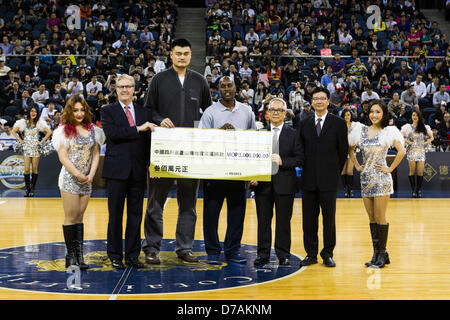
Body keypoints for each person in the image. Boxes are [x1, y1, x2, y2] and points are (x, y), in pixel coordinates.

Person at [142, 38, 212, 264]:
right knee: (155, 201)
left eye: (186, 53)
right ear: (170, 55)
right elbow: (148, 111)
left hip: (191, 151)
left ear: (191, 55)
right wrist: (160, 119)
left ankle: (185, 247)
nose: (182, 56)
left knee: (189, 202)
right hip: (163, 151)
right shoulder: (158, 80)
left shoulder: (199, 81)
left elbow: (208, 114)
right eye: (178, 53)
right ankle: (151, 247)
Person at [198, 76, 256, 264]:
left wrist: (253, 172)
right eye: (222, 86)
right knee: (211, 213)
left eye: (229, 85)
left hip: (238, 171)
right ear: (218, 90)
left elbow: (253, 140)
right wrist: (219, 133)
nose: (226, 89)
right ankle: (213, 251)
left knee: (237, 213)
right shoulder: (210, 112)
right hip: (214, 171)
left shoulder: (247, 111)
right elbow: (201, 140)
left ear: (235, 87)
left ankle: (232, 250)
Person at [101, 74, 155, 269]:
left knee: (135, 215)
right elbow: (113, 134)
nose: (124, 90)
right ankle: (114, 254)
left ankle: (132, 255)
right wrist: (138, 129)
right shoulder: (107, 111)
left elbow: (149, 143)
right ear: (115, 89)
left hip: (138, 172)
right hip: (116, 171)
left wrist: (153, 165)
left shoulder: (144, 112)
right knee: (115, 215)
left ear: (134, 89)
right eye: (121, 87)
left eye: (128, 86)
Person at [348, 100, 406, 268]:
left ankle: (381, 254)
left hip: (381, 179)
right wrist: (357, 165)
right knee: (371, 218)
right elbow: (350, 148)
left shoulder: (388, 131)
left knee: (380, 217)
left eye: (378, 112)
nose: (374, 115)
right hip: (365, 179)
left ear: (383, 114)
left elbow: (402, 150)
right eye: (372, 111)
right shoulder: (361, 131)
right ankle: (377, 253)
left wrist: (390, 168)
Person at [297, 87, 348, 268]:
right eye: (315, 98)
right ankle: (311, 254)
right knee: (308, 220)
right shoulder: (304, 122)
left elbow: (342, 153)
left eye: (322, 98)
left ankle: (327, 253)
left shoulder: (339, 123)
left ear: (328, 101)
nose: (319, 101)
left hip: (329, 180)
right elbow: (300, 151)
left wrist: (334, 172)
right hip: (308, 180)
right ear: (311, 102)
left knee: (329, 219)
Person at [52, 95, 105, 269]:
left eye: (82, 110)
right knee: (71, 216)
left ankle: (79, 256)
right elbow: (63, 156)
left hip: (87, 179)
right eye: (75, 110)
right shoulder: (63, 131)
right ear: (69, 111)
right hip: (69, 179)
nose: (79, 113)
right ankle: (70, 256)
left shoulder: (93, 130)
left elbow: (96, 153)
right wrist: (76, 173)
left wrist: (91, 174)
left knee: (80, 217)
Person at [250, 98, 302, 266]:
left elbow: (300, 159)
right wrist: (253, 175)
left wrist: (283, 161)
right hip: (262, 186)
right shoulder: (260, 134)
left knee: (283, 222)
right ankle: (263, 254)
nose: (275, 112)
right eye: (272, 109)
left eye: (279, 110)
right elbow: (252, 158)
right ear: (267, 113)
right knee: (263, 222)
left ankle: (283, 254)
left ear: (285, 113)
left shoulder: (294, 134)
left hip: (285, 185)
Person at [11, 106, 52, 197]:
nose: (33, 113)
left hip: (35, 148)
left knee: (34, 169)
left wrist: (41, 141)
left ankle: (32, 189)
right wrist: (20, 140)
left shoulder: (40, 123)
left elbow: (49, 132)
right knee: (26, 170)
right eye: (32, 111)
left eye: (35, 112)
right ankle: (27, 189)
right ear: (29, 112)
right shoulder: (23, 122)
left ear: (37, 113)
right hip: (26, 148)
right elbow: (13, 131)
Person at [401, 110, 434, 198]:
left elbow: (432, 137)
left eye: (416, 115)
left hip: (421, 151)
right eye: (413, 115)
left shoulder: (425, 127)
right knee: (412, 171)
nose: (414, 117)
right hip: (411, 151)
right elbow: (402, 137)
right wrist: (410, 142)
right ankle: (413, 191)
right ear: (411, 116)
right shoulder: (407, 127)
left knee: (420, 172)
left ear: (419, 117)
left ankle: (418, 190)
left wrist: (426, 142)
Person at [341, 109, 360, 198]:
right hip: (342, 150)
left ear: (351, 115)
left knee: (349, 170)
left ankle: (350, 190)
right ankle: (345, 190)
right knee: (343, 170)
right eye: (345, 115)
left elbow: (358, 136)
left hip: (352, 149)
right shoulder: (340, 125)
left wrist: (355, 144)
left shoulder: (355, 125)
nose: (347, 117)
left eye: (348, 115)